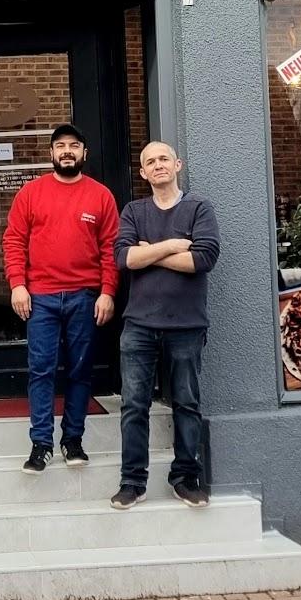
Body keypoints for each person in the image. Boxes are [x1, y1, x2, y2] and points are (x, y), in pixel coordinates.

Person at [3, 122, 119, 474]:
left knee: (80, 370)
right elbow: (13, 241)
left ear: (84, 153)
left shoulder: (101, 195)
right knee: (41, 370)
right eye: (60, 146)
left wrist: (108, 292)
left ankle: (73, 440)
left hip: (85, 297)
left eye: (73, 145)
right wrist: (17, 284)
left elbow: (110, 248)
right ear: (51, 153)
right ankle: (41, 444)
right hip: (41, 298)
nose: (66, 151)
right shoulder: (31, 193)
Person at [111, 141, 220, 510]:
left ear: (177, 164)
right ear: (143, 172)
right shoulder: (134, 210)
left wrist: (150, 252)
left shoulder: (198, 208)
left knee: (186, 403)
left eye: (163, 159)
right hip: (139, 325)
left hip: (187, 325)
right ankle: (132, 482)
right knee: (133, 405)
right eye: (149, 162)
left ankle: (186, 478)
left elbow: (203, 258)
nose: (157, 166)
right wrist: (174, 244)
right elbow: (124, 258)